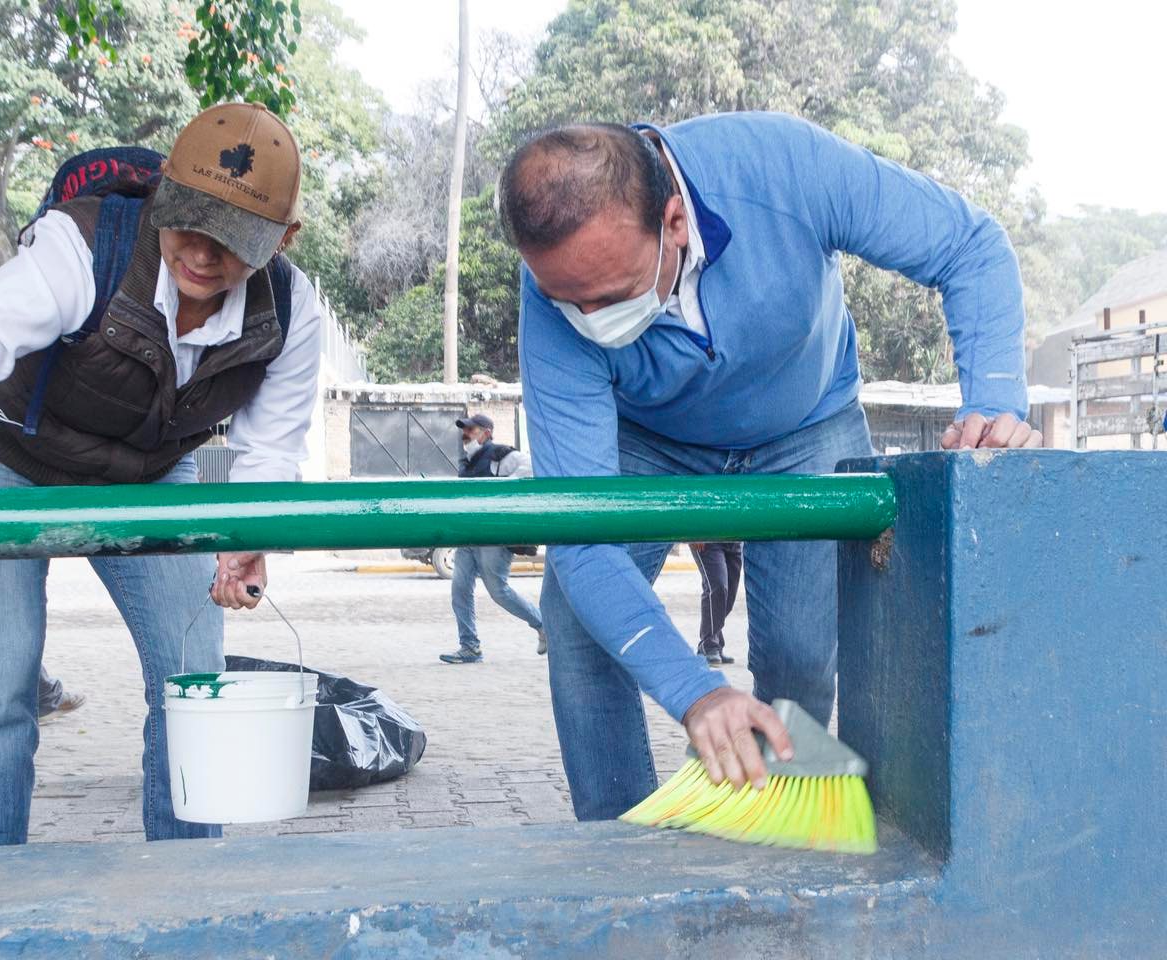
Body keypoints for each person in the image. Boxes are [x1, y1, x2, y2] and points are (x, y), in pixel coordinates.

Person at [498, 113, 1043, 820]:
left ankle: (774, 834)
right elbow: (582, 531)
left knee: (799, 654)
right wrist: (696, 692)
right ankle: (615, 855)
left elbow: (970, 246)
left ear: (674, 221)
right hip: (649, 440)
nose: (588, 318)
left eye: (609, 295)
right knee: (577, 619)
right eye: (568, 302)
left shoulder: (782, 168)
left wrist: (994, 406)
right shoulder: (554, 294)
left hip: (804, 421)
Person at [0, 102, 322, 848]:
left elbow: (273, 449)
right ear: (164, 188)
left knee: (191, 675)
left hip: (148, 476)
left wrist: (248, 537)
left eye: (231, 240)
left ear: (282, 239)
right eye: (186, 219)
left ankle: (187, 891)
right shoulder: (84, 242)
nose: (200, 253)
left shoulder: (292, 310)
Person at [439, 413, 549, 663]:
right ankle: (470, 647)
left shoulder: (501, 455)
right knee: (459, 590)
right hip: (469, 536)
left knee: (498, 590)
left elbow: (532, 467)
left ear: (487, 433)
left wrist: (502, 490)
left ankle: (544, 625)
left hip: (493, 536)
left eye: (471, 430)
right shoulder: (467, 462)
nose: (466, 435)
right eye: (464, 430)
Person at [686, 541, 742, 666]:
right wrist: (693, 533)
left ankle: (715, 644)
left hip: (734, 538)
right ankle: (708, 646)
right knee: (717, 588)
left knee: (728, 598)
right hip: (707, 538)